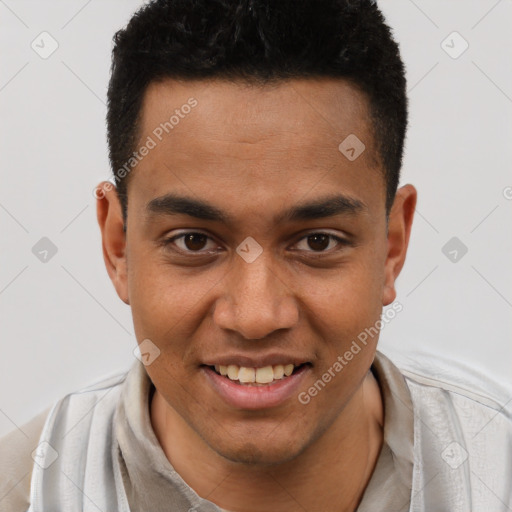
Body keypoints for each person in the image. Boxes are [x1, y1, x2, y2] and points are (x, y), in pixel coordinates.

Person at [1, 0, 511, 510]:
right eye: (194, 241)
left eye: (317, 241)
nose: (255, 316)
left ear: (392, 245)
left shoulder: (495, 475)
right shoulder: (24, 488)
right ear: (118, 247)